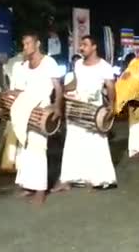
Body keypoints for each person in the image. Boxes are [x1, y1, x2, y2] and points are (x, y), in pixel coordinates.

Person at [52, 36, 116, 192]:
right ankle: (67, 179)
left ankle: (97, 179)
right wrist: (66, 91)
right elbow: (75, 83)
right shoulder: (78, 64)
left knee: (95, 143)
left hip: (94, 111)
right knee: (73, 141)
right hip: (76, 107)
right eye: (80, 45)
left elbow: (111, 87)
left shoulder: (104, 66)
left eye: (85, 45)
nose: (81, 48)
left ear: (94, 47)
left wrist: (112, 106)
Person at [13, 32, 63, 205]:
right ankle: (29, 185)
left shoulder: (49, 62)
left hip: (42, 109)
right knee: (25, 148)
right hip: (25, 109)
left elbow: (58, 87)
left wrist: (57, 107)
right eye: (23, 44)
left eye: (28, 43)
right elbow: (20, 90)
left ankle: (40, 191)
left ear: (38, 43)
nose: (25, 47)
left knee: (39, 148)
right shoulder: (24, 66)